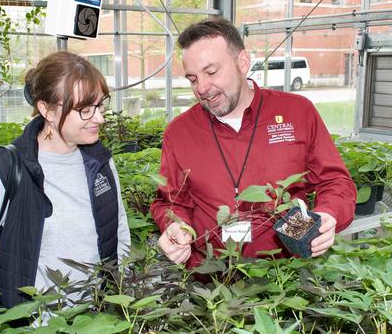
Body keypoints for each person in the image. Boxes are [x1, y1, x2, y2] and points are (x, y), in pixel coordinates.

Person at [150, 17, 356, 267]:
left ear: (242, 63)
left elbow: (335, 181)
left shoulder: (297, 112)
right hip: (209, 278)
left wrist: (328, 214)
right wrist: (176, 225)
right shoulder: (180, 132)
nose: (202, 88)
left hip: (285, 274)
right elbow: (170, 202)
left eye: (211, 72)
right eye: (192, 79)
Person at [0, 51, 131, 320]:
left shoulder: (100, 162)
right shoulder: (9, 167)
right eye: (85, 110)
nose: (99, 118)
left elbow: (119, 234)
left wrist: (122, 308)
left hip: (97, 328)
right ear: (46, 109)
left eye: (101, 105)